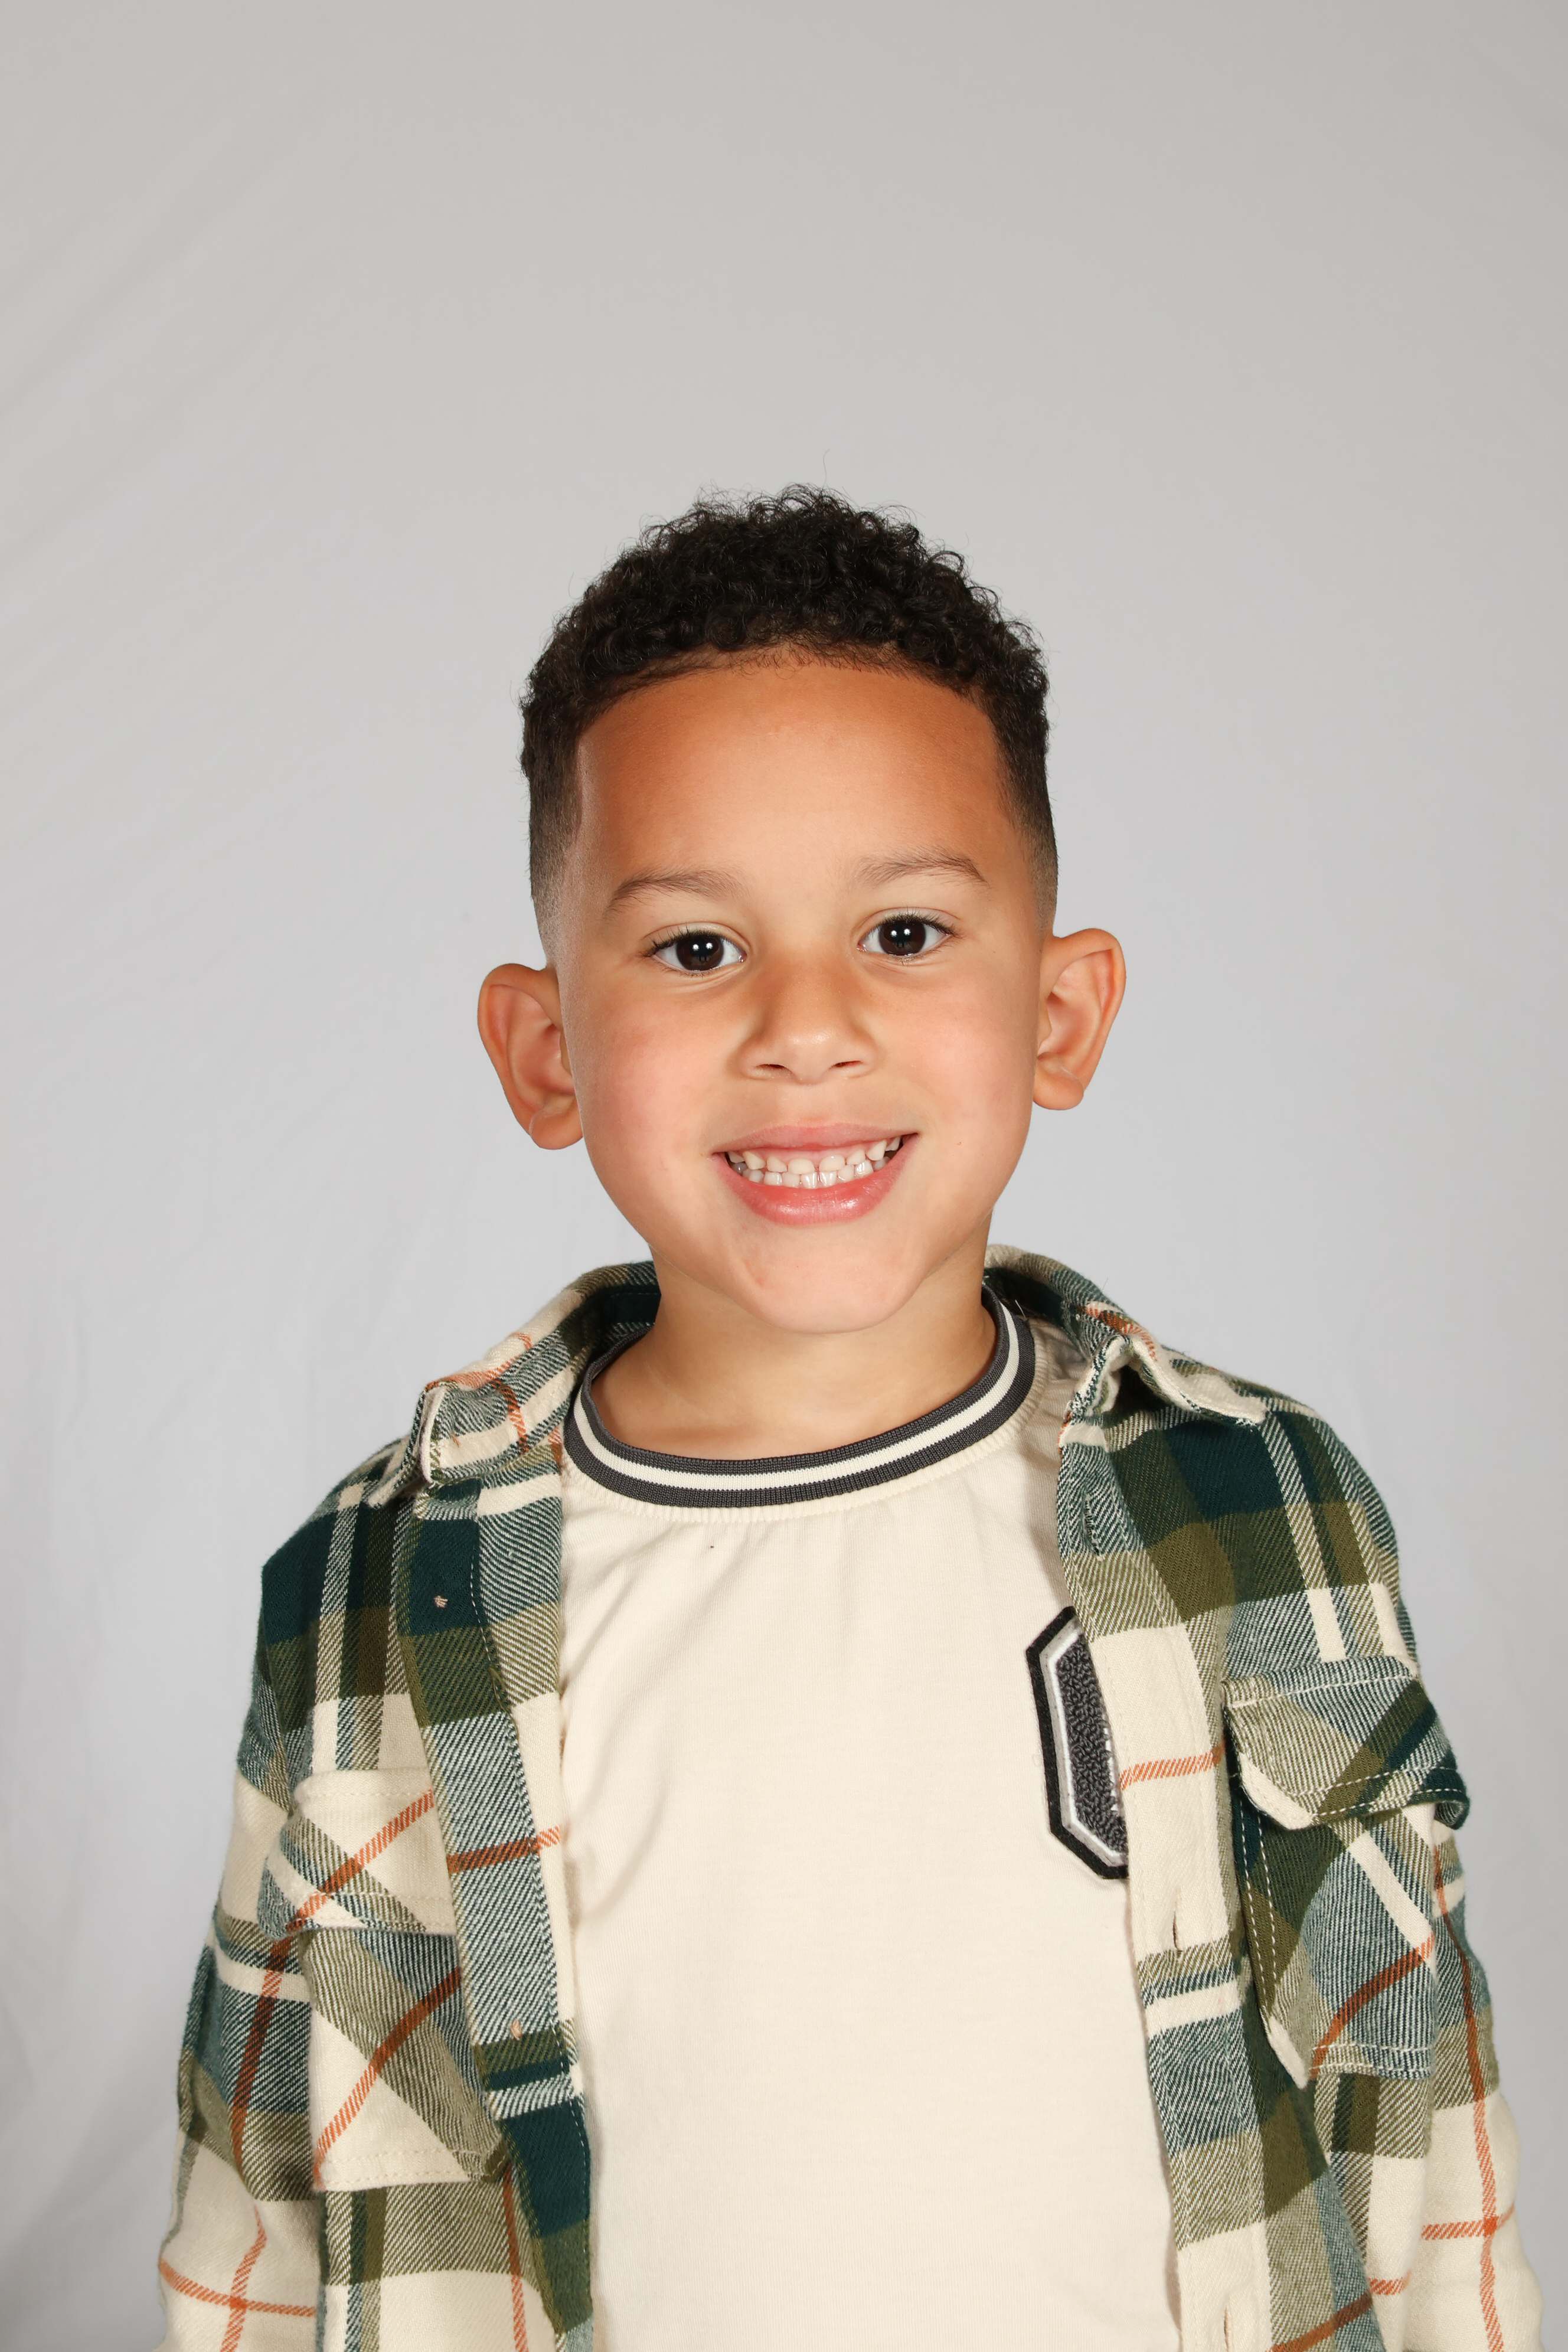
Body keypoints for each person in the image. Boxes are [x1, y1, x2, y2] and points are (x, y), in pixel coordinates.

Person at [155, 489, 1541, 2352]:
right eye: (695, 950)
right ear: (547, 1052)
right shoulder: (375, 1588)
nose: (806, 1027)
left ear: (1059, 1015)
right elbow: (257, 2212)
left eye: (903, 930)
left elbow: (1428, 2145)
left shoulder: (1261, 1509)